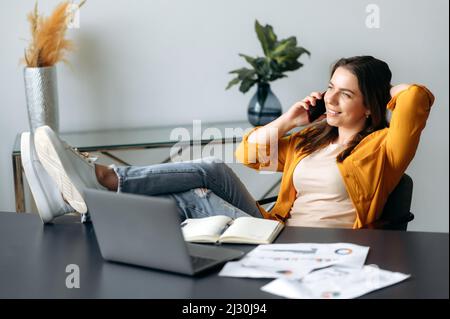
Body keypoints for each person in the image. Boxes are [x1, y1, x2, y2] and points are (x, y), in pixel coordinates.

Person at [28, 55, 434, 228]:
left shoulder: (384, 149)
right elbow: (249, 154)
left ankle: (102, 179)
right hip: (274, 229)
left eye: (346, 93)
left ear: (370, 105)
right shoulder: (312, 138)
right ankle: (81, 198)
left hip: (311, 248)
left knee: (203, 186)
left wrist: (388, 90)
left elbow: (417, 98)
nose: (330, 98)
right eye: (330, 88)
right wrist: (291, 117)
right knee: (204, 183)